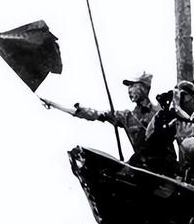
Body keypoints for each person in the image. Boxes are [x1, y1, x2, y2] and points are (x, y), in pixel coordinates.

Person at [42, 72, 175, 174]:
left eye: (133, 85)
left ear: (145, 88)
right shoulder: (126, 116)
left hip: (166, 166)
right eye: (128, 86)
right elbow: (96, 114)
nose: (129, 90)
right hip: (143, 166)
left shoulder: (161, 110)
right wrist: (54, 104)